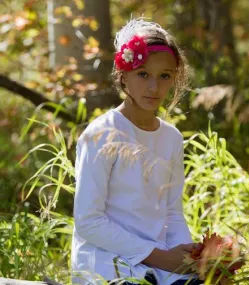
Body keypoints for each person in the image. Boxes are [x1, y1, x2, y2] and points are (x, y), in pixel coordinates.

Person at [71, 18, 204, 285]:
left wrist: (188, 258)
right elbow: (88, 220)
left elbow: (172, 213)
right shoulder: (101, 134)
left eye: (164, 76)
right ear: (123, 74)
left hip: (159, 260)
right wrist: (158, 257)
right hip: (107, 261)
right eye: (143, 74)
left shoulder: (171, 138)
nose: (154, 87)